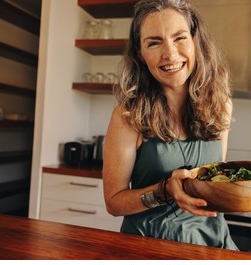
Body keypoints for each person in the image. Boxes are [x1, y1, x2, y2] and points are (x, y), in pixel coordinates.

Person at [102, 0, 237, 250]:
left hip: (212, 245)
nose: (170, 54)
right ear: (140, 54)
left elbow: (213, 182)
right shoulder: (127, 116)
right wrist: (164, 190)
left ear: (196, 41)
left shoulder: (221, 105)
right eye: (154, 42)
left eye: (180, 38)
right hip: (147, 247)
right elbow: (114, 203)